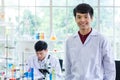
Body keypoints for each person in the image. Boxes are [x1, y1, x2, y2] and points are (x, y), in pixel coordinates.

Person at [65, 3, 116, 80]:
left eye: (86, 17)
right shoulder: (69, 41)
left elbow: (110, 68)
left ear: (91, 18)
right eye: (79, 17)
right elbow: (68, 67)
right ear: (75, 19)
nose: (82, 20)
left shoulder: (102, 39)